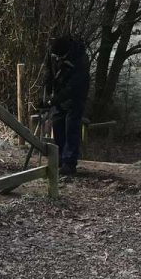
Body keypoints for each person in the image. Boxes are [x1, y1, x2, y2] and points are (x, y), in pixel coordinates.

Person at [44, 34, 91, 176]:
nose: (57, 59)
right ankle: (59, 158)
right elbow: (48, 73)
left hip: (76, 96)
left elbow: (74, 86)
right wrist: (47, 93)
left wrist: (55, 100)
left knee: (71, 127)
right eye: (55, 57)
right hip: (59, 94)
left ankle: (69, 163)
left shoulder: (80, 59)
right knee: (57, 125)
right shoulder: (52, 54)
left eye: (60, 57)